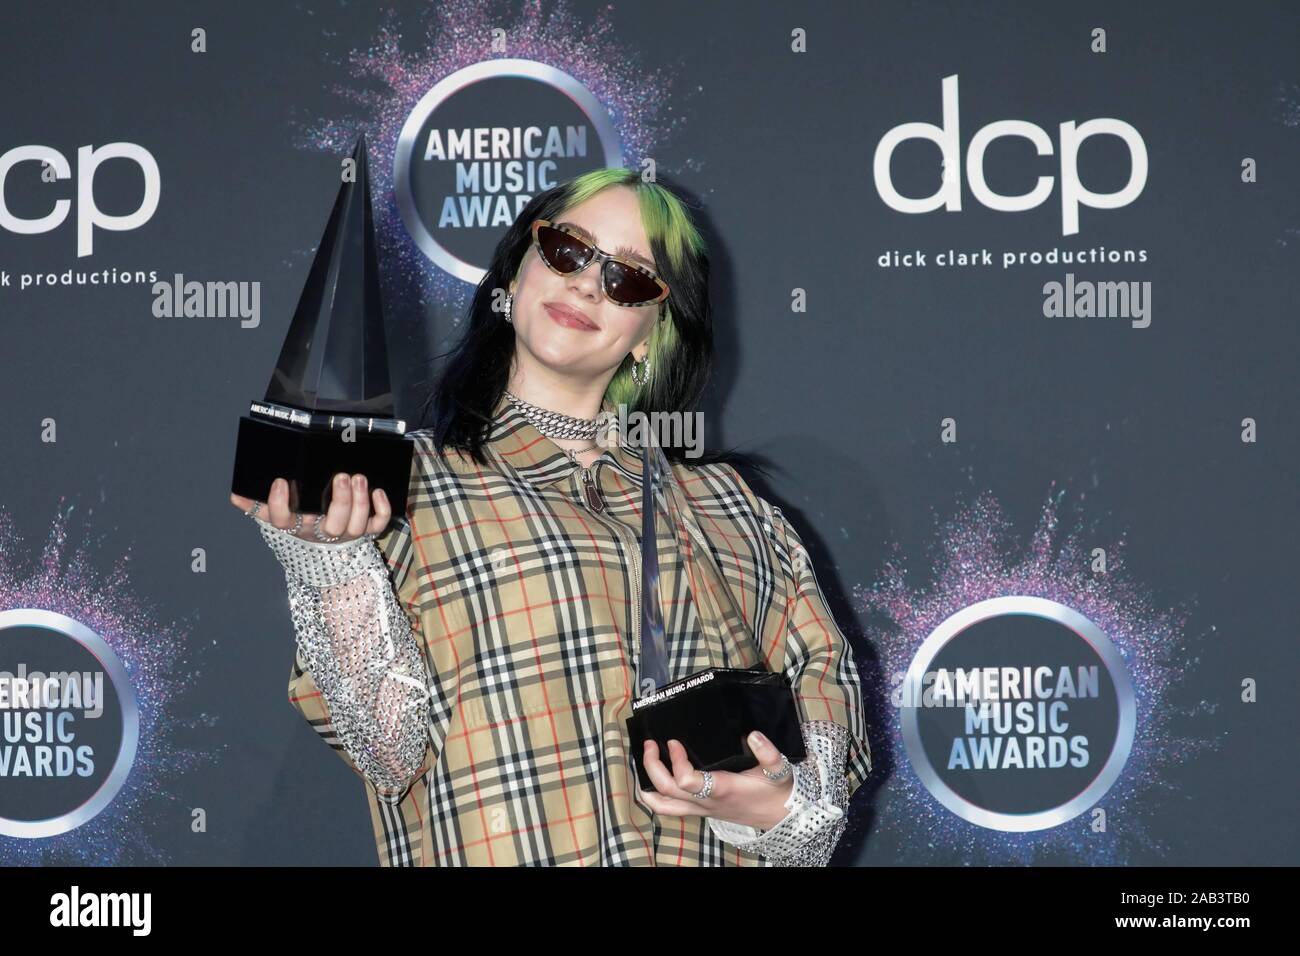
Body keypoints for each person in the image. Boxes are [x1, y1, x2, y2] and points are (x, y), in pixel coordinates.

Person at [230, 167, 871, 866]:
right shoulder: (403, 484)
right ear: (515, 276)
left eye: (629, 278)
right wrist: (330, 564)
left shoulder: (726, 505)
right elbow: (388, 752)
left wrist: (782, 809)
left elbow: (822, 705)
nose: (588, 282)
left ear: (652, 334)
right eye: (568, 249)